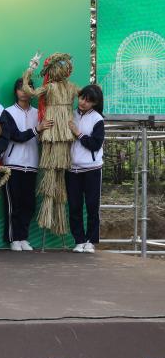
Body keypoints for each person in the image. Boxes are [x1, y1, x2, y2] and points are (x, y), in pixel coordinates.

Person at [0, 78, 47, 251]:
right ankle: (13, 238)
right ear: (16, 91)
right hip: (12, 165)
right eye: (20, 88)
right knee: (13, 204)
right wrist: (37, 129)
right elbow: (16, 135)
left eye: (28, 88)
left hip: (32, 165)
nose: (23, 91)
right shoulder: (7, 112)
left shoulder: (39, 114)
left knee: (28, 204)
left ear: (33, 92)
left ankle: (23, 237)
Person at [66, 84, 105, 253]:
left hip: (92, 169)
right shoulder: (70, 115)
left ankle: (90, 241)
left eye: (88, 101)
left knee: (91, 206)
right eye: (82, 98)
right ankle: (79, 240)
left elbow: (95, 144)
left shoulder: (98, 119)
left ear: (95, 103)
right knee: (74, 206)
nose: (83, 102)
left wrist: (78, 133)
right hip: (71, 169)